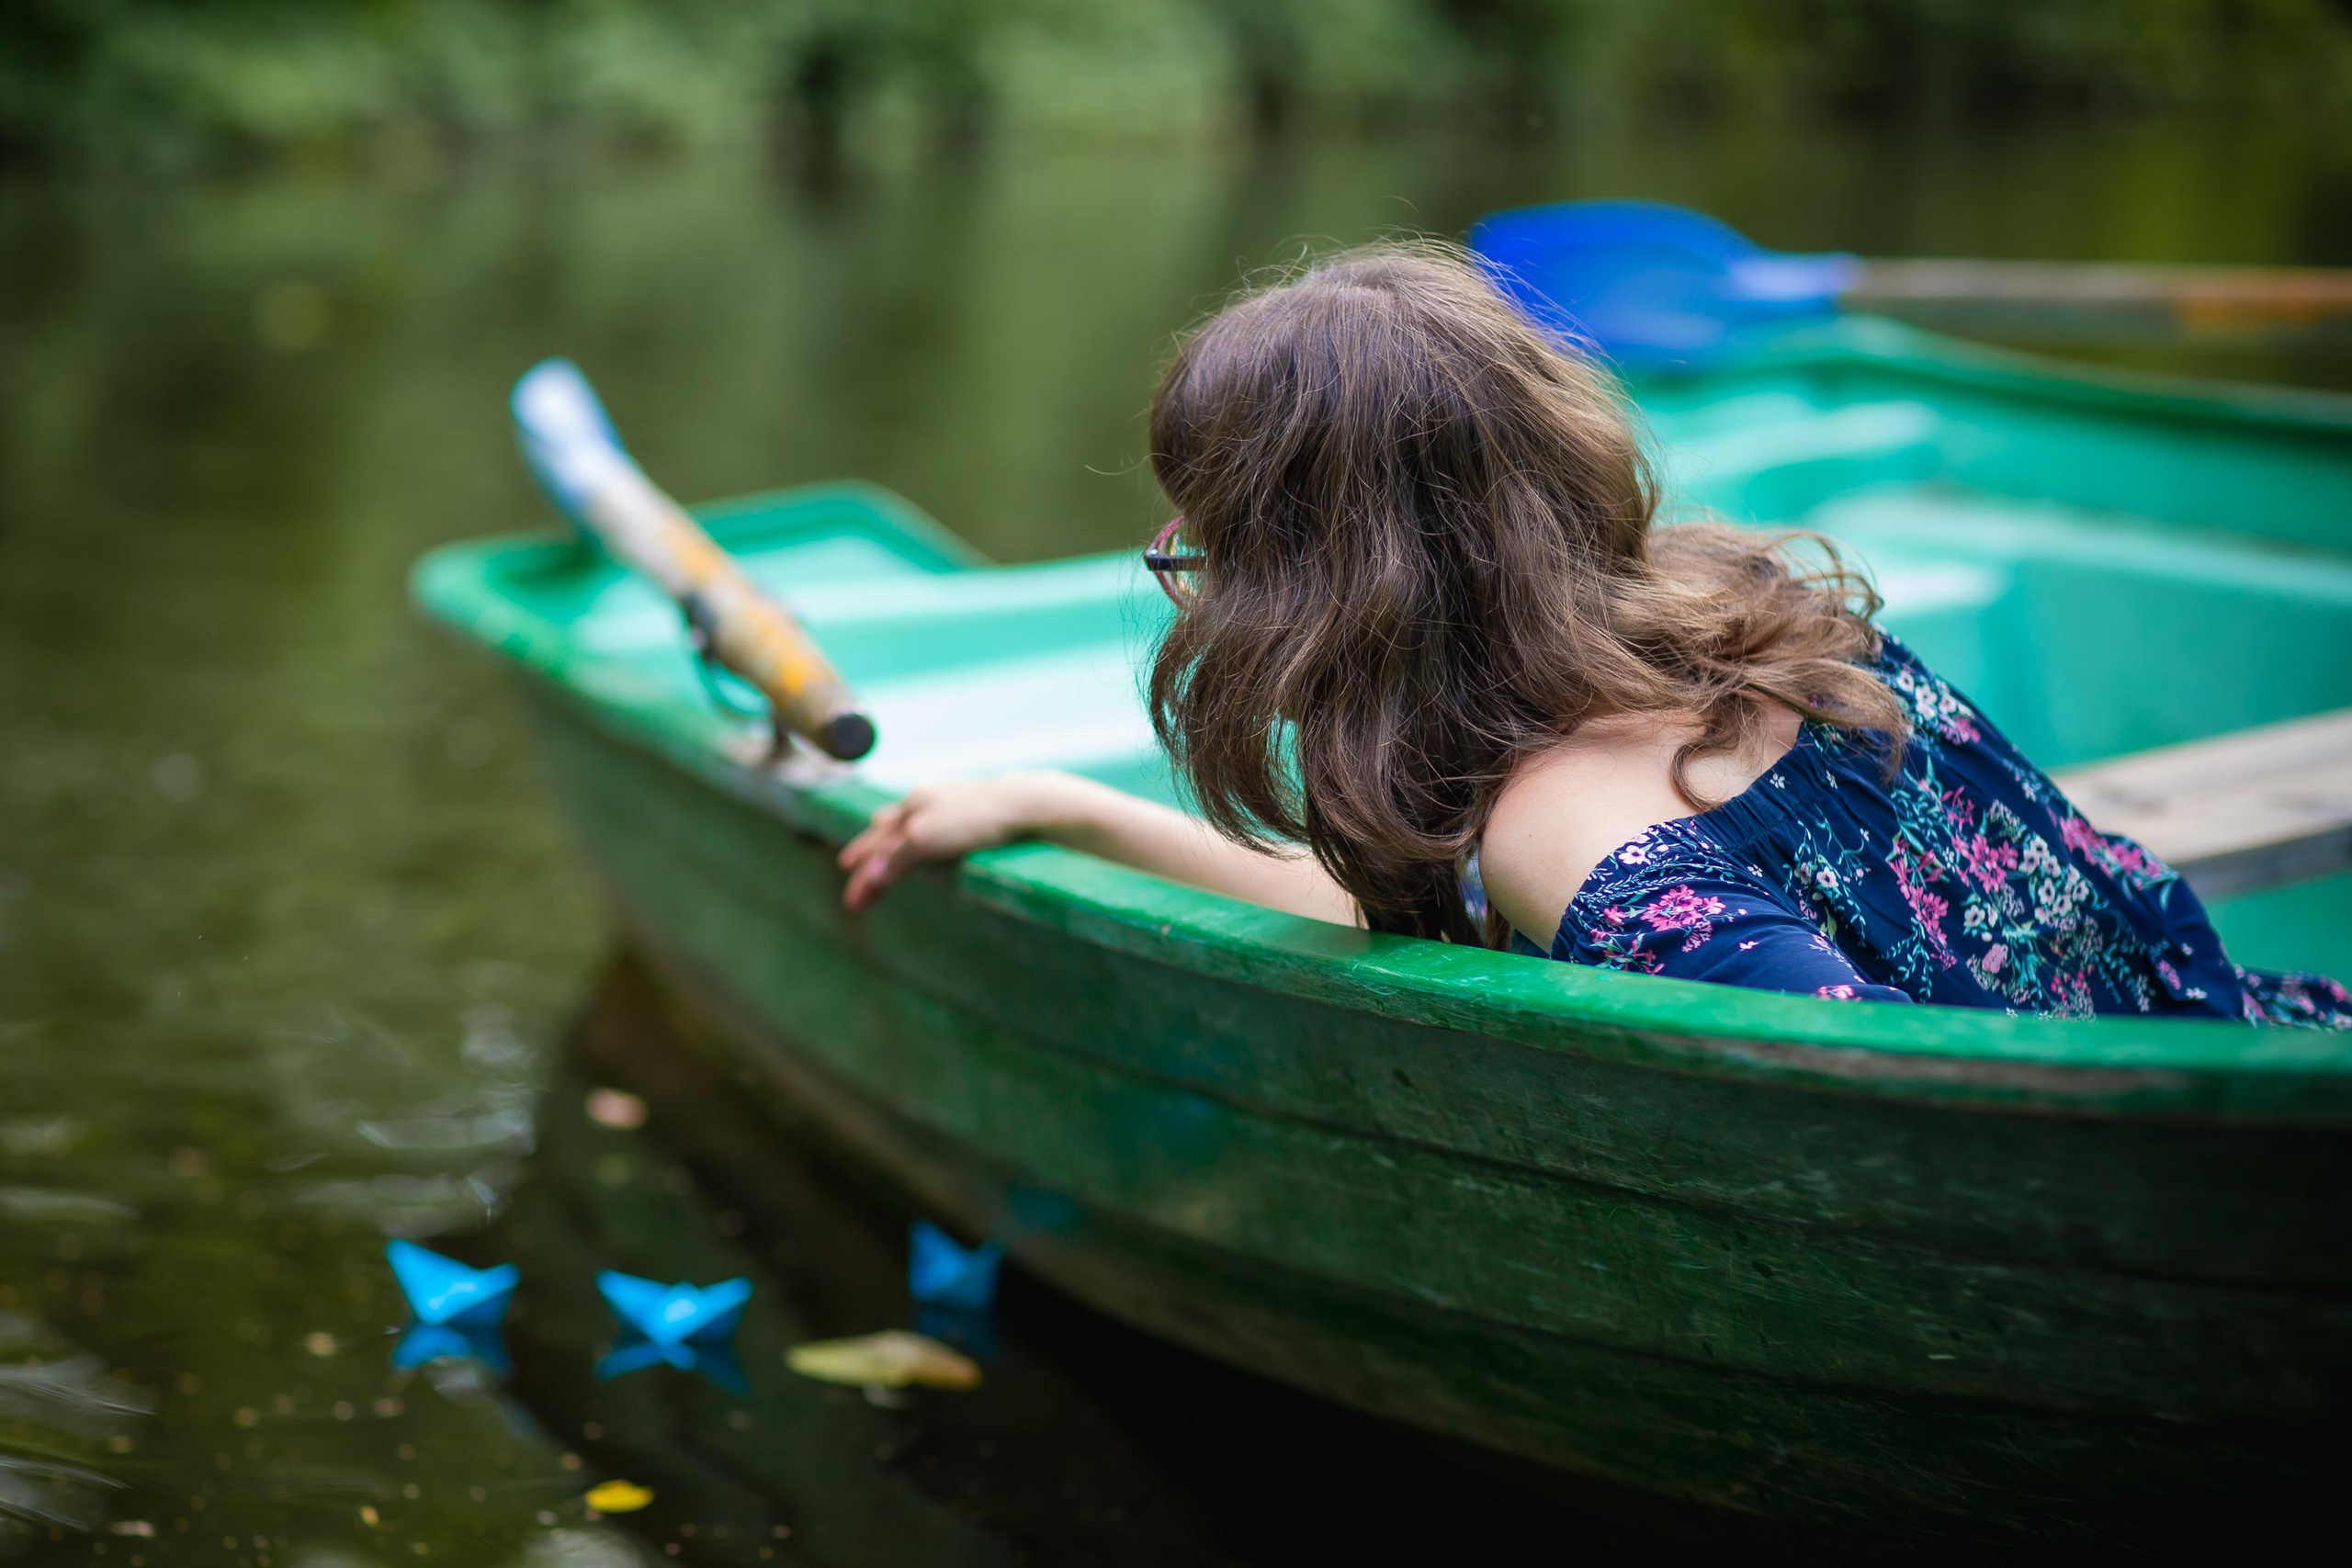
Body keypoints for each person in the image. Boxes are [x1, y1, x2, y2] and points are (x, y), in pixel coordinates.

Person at [840, 243, 2346, 1027]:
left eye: (1210, 542)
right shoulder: (1758, 616)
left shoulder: (1570, 835)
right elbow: (1414, 903)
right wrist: (1069, 809)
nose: (1196, 578)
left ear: (1311, 582)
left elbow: (1916, 1095)